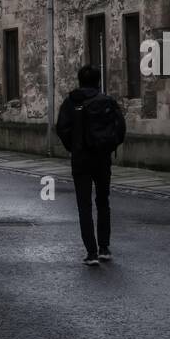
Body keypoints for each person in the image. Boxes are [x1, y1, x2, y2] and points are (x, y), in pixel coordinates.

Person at [56, 64, 126, 267]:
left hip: (81, 159)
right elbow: (120, 127)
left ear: (80, 80)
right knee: (103, 202)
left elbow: (61, 128)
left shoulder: (71, 102)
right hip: (102, 158)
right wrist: (109, 145)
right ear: (98, 81)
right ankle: (104, 248)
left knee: (84, 206)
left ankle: (92, 252)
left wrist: (74, 146)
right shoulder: (107, 101)